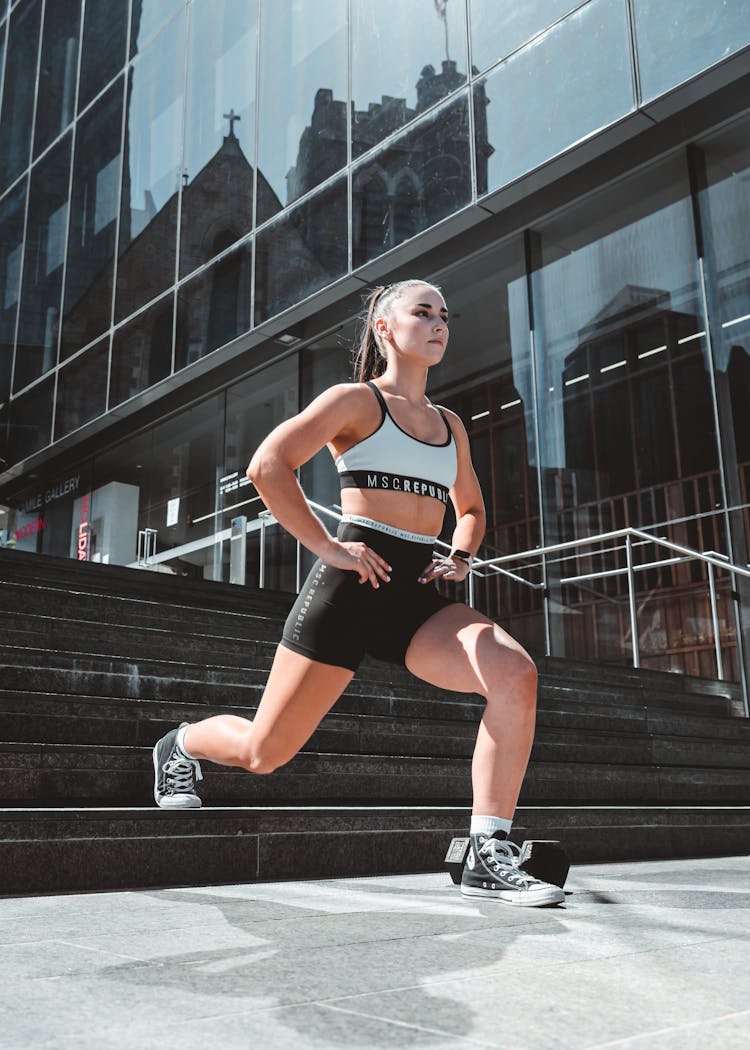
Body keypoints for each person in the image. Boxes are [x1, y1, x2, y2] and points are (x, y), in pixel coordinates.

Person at [152, 279, 564, 907]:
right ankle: (179, 744)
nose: (438, 324)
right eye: (422, 312)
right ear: (384, 328)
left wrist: (459, 554)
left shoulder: (451, 425)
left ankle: (487, 850)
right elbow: (267, 465)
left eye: (444, 315)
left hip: (419, 600)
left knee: (513, 672)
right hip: (350, 584)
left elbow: (472, 507)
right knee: (264, 752)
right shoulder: (354, 402)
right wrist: (327, 547)